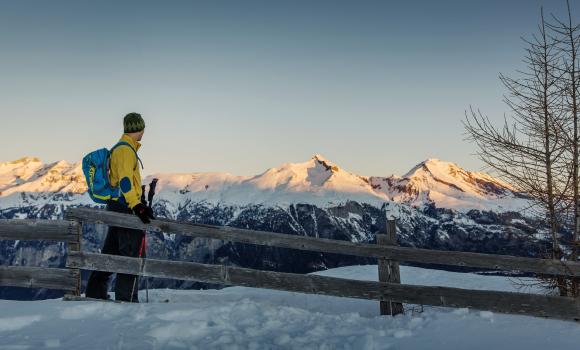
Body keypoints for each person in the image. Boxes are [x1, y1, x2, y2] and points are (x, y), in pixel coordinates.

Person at [85, 112, 155, 302]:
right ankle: (127, 301)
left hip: (117, 206)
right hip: (125, 207)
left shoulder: (123, 148)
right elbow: (125, 181)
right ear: (139, 129)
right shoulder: (125, 151)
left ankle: (94, 293)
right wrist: (137, 206)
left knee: (112, 251)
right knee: (129, 255)